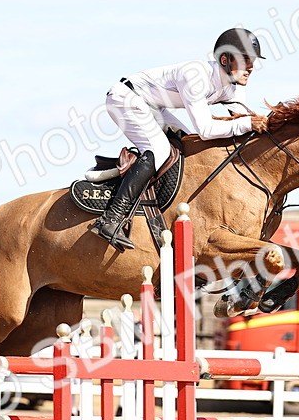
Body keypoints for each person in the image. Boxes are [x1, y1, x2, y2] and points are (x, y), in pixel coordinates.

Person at [91, 27, 268, 252]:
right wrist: (247, 123)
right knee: (160, 149)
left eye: (252, 60)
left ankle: (138, 178)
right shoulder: (196, 75)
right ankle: (110, 218)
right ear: (225, 59)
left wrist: (268, 124)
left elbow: (244, 118)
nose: (251, 66)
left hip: (152, 106)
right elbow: (206, 129)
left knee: (189, 144)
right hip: (124, 99)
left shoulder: (232, 88)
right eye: (245, 59)